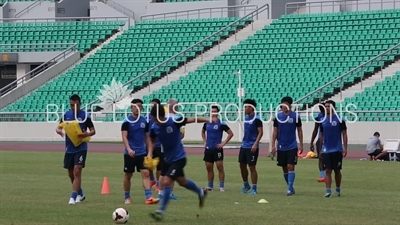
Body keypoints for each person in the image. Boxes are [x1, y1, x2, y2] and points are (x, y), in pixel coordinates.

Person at [148, 104, 208, 221]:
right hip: (167, 159)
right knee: (182, 182)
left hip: (179, 158)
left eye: (156, 119)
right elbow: (152, 140)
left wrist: (209, 119)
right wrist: (150, 153)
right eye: (153, 119)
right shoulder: (154, 127)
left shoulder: (174, 121)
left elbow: (193, 119)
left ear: (162, 116)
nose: (155, 122)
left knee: (165, 182)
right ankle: (200, 192)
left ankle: (160, 211)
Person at [56, 94, 96, 205]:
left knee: (77, 170)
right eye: (72, 105)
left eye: (76, 105)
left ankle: (73, 197)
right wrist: (59, 131)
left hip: (81, 147)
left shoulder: (85, 116)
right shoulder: (66, 115)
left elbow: (93, 131)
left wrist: (86, 134)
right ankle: (80, 193)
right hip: (69, 148)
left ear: (80, 104)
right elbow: (59, 127)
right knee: (71, 173)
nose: (74, 107)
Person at [121, 99, 159, 205]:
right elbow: (124, 137)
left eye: (139, 106)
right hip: (130, 153)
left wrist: (149, 151)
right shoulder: (126, 121)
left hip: (141, 152)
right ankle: (127, 197)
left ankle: (149, 197)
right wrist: (128, 149)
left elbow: (147, 137)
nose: (137, 108)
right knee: (128, 175)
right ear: (131, 107)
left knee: (146, 173)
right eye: (135, 106)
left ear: (141, 108)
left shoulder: (144, 121)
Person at [272, 96, 303, 196]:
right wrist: (273, 145)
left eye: (286, 104)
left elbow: (299, 130)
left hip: (292, 145)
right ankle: (291, 186)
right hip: (281, 146)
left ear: (290, 105)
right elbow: (275, 131)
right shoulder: (278, 117)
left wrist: (301, 144)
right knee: (284, 168)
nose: (284, 106)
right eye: (282, 104)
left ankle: (289, 188)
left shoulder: (295, 116)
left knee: (290, 166)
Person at [201, 105, 234, 192]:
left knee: (220, 167)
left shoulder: (221, 123)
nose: (213, 113)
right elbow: (203, 132)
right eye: (212, 111)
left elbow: (230, 133)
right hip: (208, 149)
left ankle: (221, 186)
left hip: (217, 149)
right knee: (209, 168)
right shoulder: (206, 123)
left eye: (215, 111)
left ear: (218, 113)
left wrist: (223, 143)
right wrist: (204, 142)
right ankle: (210, 186)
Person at [319, 100, 348, 198]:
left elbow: (344, 133)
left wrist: (345, 148)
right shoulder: (322, 120)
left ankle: (338, 189)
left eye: (328, 106)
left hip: (337, 149)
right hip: (326, 149)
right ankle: (328, 191)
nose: (326, 108)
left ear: (333, 107)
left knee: (337, 170)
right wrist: (320, 149)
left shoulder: (340, 119)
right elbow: (322, 135)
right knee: (328, 170)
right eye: (325, 106)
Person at [157, 98, 183, 200]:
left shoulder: (163, 118)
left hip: (165, 149)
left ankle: (160, 192)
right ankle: (169, 193)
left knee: (164, 172)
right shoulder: (177, 118)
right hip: (174, 150)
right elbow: (181, 134)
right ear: (175, 107)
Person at [239, 99, 263, 195]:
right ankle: (246, 185)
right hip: (244, 145)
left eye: (246, 107)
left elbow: (260, 132)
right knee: (242, 165)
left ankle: (254, 188)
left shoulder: (257, 119)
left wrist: (255, 144)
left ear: (251, 108)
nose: (244, 108)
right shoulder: (246, 118)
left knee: (252, 167)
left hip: (252, 146)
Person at [147, 98, 162, 190]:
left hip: (160, 145)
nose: (153, 107)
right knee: (149, 165)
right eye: (152, 105)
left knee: (159, 167)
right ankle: (152, 179)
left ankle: (158, 183)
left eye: (155, 105)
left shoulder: (162, 118)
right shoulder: (147, 117)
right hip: (149, 145)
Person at [310, 102, 326, 182]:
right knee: (321, 158)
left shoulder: (332, 116)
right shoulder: (319, 117)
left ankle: (327, 174)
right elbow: (315, 129)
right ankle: (322, 176)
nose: (321, 109)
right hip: (320, 140)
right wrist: (311, 142)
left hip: (330, 140)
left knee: (328, 158)